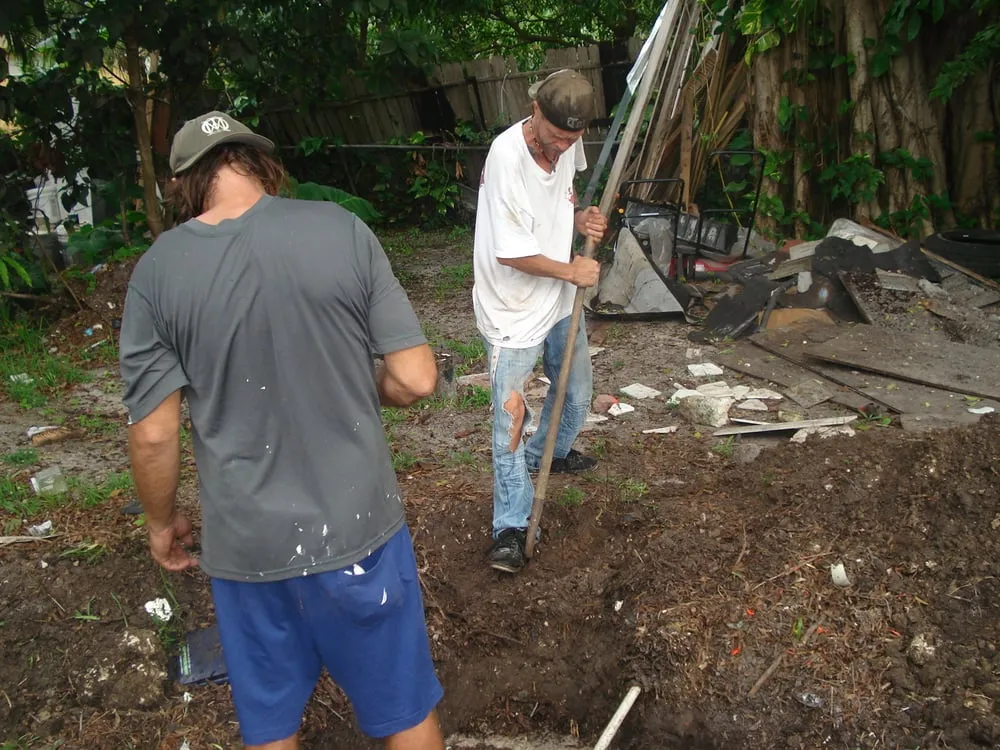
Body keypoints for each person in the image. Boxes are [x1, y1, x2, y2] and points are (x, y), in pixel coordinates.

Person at [119, 110, 445, 750]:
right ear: (262, 165)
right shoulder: (342, 230)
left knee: (270, 725)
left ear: (185, 183)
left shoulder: (158, 272)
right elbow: (415, 378)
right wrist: (361, 382)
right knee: (404, 709)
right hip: (359, 534)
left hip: (249, 551)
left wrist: (162, 522)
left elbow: (154, 435)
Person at [472, 70, 609, 575]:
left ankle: (545, 454)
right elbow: (511, 253)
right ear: (535, 111)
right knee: (510, 417)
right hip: (511, 307)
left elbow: (557, 201)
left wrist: (579, 222)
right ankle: (509, 526)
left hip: (556, 298)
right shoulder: (506, 158)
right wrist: (572, 269)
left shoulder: (567, 143)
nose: (562, 148)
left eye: (572, 139)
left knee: (575, 392)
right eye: (554, 137)